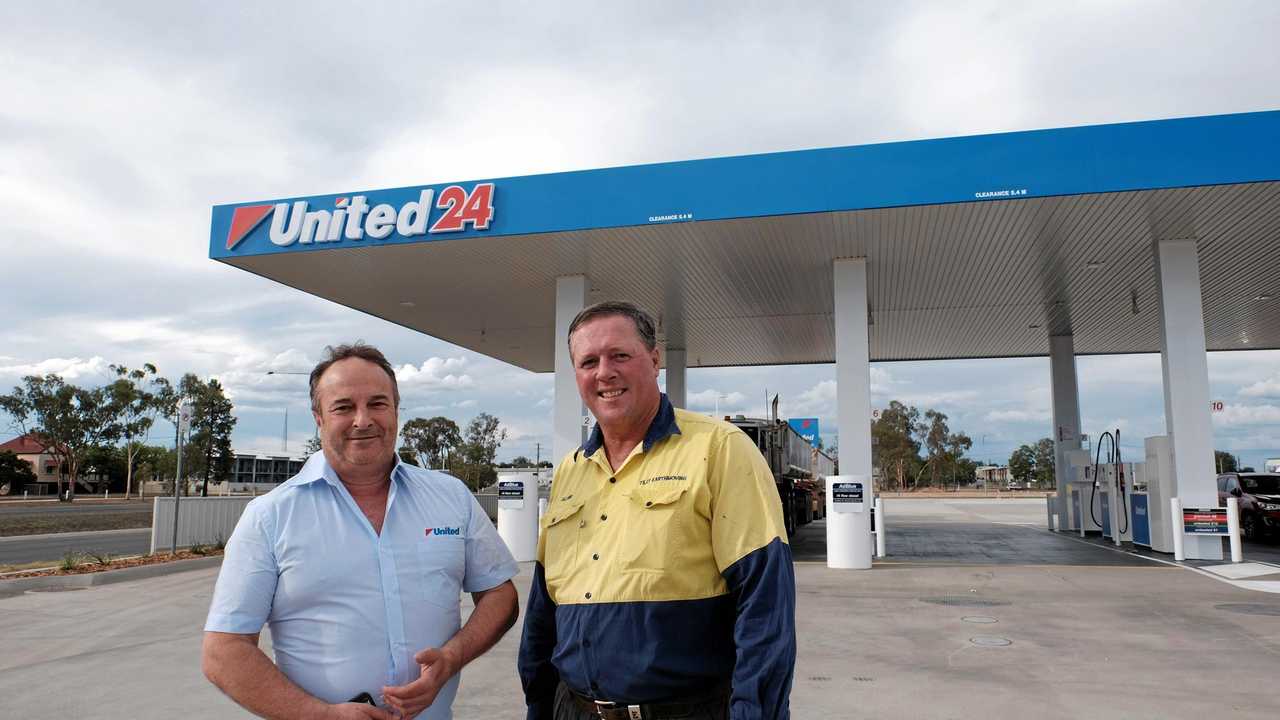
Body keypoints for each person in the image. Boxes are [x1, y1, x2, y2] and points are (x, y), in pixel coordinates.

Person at [202, 343, 519, 720]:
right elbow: (224, 651)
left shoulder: (450, 497)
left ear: (397, 412)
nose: (363, 419)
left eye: (378, 403)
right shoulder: (270, 517)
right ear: (318, 417)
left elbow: (500, 593)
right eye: (344, 407)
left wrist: (452, 658)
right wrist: (322, 715)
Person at [518, 302, 796, 720]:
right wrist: (538, 705)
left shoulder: (718, 450)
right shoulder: (570, 471)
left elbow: (764, 607)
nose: (604, 372)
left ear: (653, 360)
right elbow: (544, 610)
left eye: (620, 356)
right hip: (572, 709)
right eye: (588, 361)